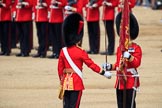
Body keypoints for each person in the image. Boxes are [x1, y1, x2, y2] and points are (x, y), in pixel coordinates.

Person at [57, 13, 111, 108]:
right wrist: (103, 72)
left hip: (66, 83)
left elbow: (60, 69)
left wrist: (62, 81)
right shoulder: (80, 52)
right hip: (76, 83)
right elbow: (91, 65)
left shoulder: (63, 51)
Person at [104, 12, 142, 108]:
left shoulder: (136, 48)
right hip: (120, 80)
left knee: (130, 105)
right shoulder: (119, 48)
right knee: (120, 105)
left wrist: (129, 57)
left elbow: (137, 63)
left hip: (130, 80)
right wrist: (110, 67)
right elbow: (118, 64)